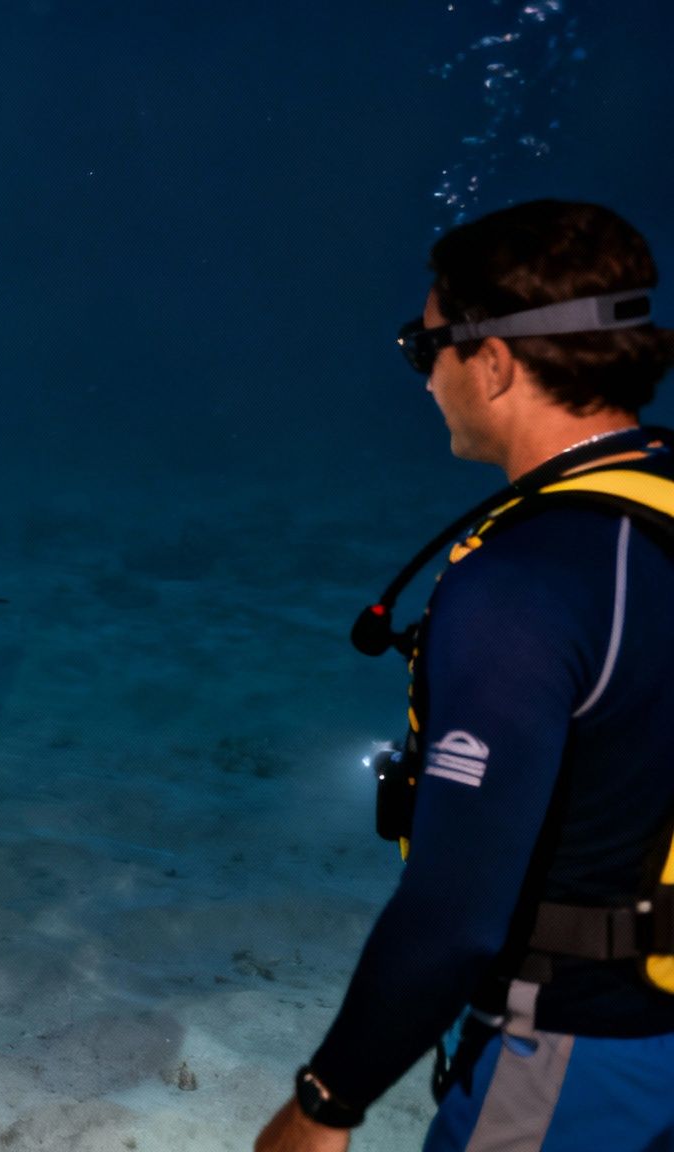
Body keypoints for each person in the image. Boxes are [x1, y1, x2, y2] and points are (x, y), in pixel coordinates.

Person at [257, 199, 674, 1152]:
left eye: (424, 345)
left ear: (492, 364)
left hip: (584, 1051)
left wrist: (325, 1104)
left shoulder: (522, 586)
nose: (425, 376)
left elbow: (456, 918)